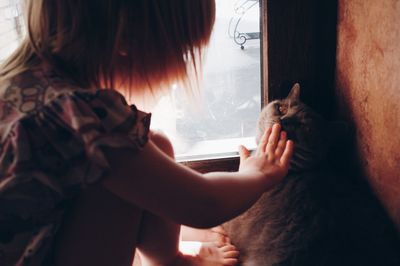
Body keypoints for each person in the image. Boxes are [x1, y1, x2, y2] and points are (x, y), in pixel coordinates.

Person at [0, 0, 294, 265]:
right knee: (114, 160)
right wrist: (257, 175)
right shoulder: (80, 115)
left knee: (151, 145)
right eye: (182, 50)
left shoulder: (16, 87)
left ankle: (169, 259)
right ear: (127, 38)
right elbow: (204, 204)